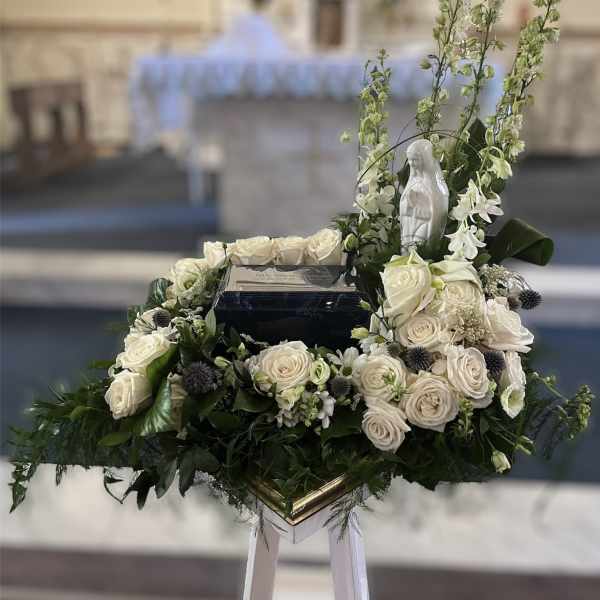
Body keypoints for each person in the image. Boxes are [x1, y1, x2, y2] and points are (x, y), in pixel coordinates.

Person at [399, 139, 449, 253]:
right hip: (410, 224)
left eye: (415, 160)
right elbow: (404, 205)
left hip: (424, 225)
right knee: (408, 251)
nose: (411, 163)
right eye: (409, 160)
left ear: (426, 160)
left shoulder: (434, 184)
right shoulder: (413, 180)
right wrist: (408, 201)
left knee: (421, 250)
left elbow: (436, 211)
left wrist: (417, 204)